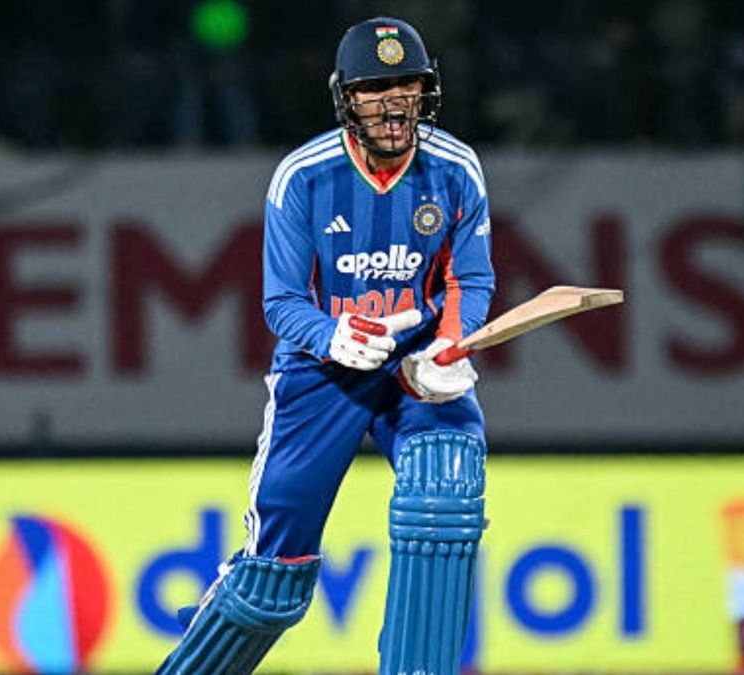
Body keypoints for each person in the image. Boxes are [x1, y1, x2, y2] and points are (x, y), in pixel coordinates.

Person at [157, 16, 494, 674]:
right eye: (375, 88)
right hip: (322, 375)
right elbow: (281, 302)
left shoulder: (455, 169)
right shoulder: (303, 178)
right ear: (347, 97)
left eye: (407, 86)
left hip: (418, 367)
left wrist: (451, 348)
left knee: (447, 486)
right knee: (272, 580)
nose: (393, 103)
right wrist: (333, 334)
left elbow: (470, 275)